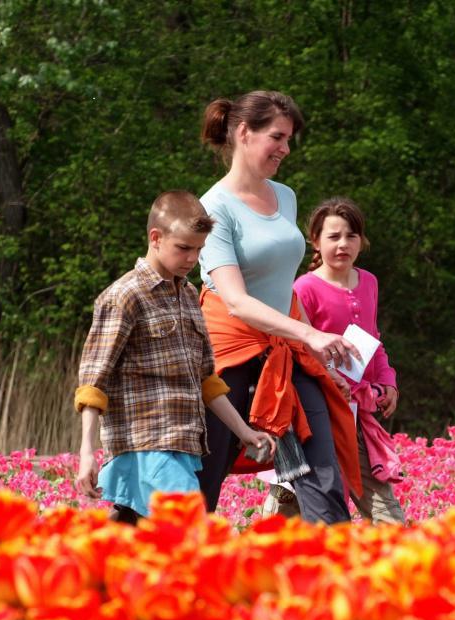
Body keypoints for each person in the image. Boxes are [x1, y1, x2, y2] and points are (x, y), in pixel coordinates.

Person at [197, 90, 364, 523]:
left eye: (289, 139)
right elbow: (236, 301)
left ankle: (332, 555)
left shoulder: (285, 196)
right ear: (243, 133)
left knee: (321, 471)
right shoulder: (213, 207)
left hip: (286, 349)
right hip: (229, 351)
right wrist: (310, 334)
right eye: (277, 137)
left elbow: (283, 290)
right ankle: (182, 556)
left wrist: (318, 356)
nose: (286, 149)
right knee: (204, 479)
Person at [74, 191, 273, 523]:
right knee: (186, 526)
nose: (192, 258)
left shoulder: (189, 295)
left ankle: (82, 555)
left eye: (199, 249)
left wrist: (244, 432)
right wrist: (86, 452)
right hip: (144, 444)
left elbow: (207, 380)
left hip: (184, 445)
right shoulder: (124, 296)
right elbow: (94, 382)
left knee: (139, 532)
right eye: (183, 248)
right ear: (155, 238)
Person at [293, 197, 406, 524]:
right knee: (295, 499)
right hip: (319, 412)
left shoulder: (368, 282)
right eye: (333, 237)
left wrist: (388, 382)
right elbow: (298, 349)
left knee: (387, 517)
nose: (343, 244)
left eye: (351, 236)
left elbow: (374, 341)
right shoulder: (304, 288)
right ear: (315, 241)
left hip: (359, 414)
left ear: (362, 240)